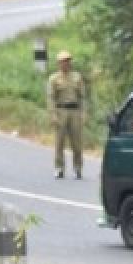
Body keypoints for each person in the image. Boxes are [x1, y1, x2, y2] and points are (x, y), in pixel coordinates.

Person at [48, 50, 86, 180]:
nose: (66, 64)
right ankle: (59, 168)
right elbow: (51, 98)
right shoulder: (54, 79)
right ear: (58, 63)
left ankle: (78, 168)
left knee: (77, 142)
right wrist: (53, 114)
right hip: (61, 110)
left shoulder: (77, 77)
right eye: (63, 61)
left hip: (74, 111)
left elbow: (82, 97)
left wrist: (83, 113)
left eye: (68, 61)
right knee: (59, 142)